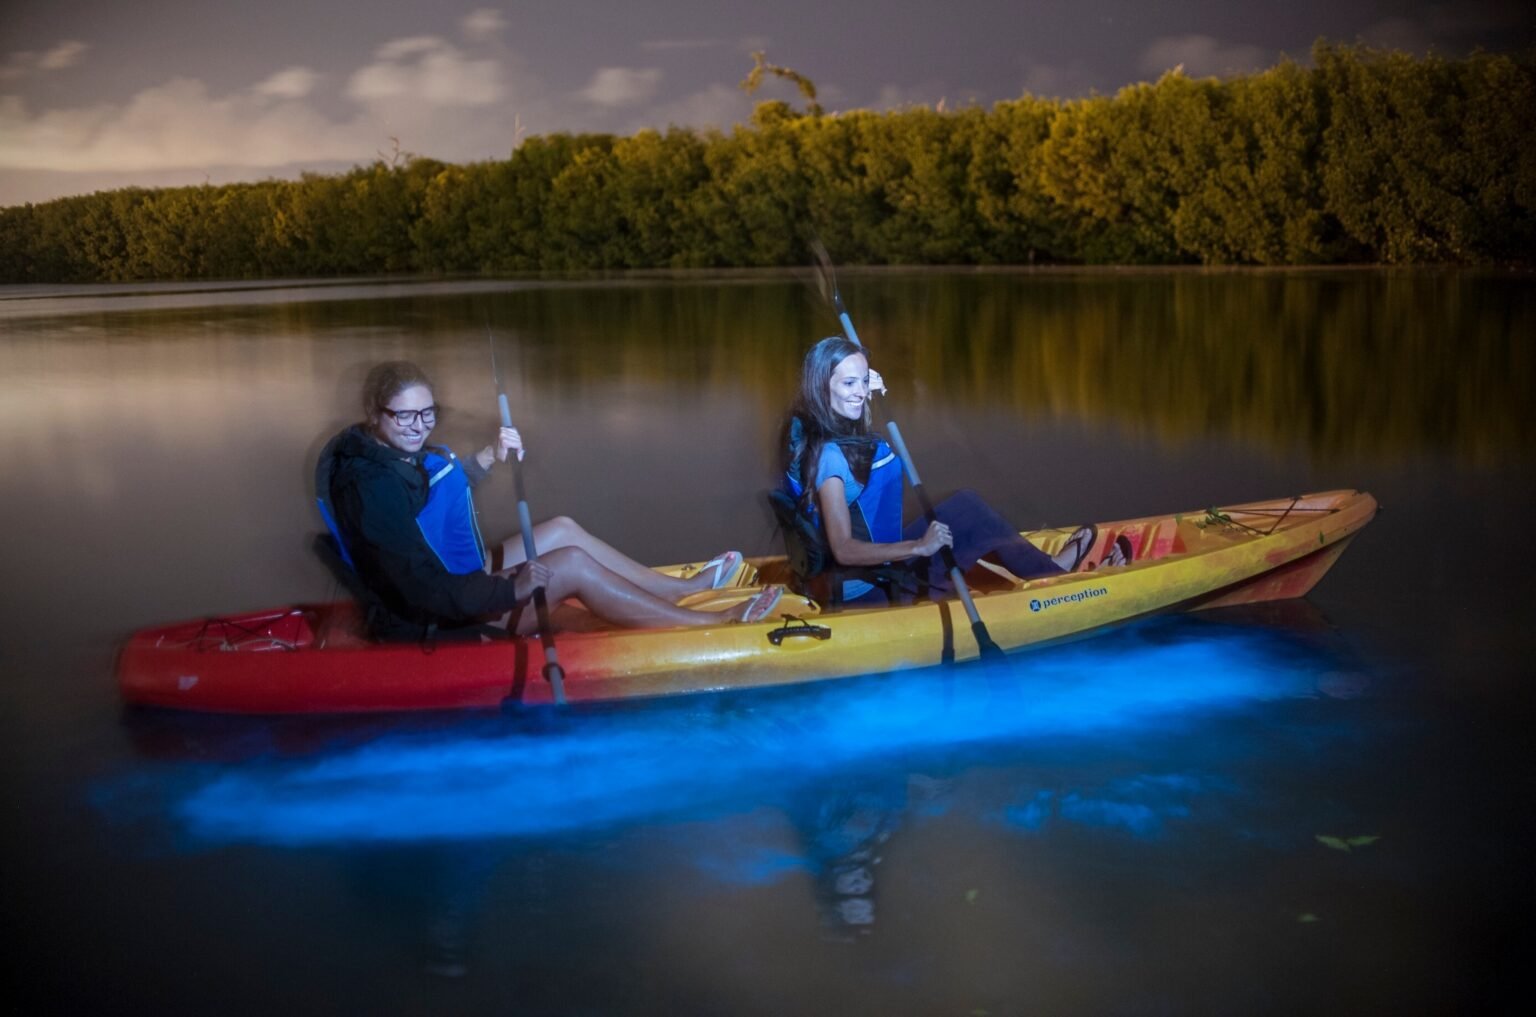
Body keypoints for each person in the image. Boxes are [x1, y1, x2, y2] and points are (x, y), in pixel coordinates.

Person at [319, 360, 782, 639]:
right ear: (373, 413)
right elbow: (417, 584)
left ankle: (683, 592)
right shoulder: (368, 488)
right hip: (435, 618)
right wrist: (510, 588)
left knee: (560, 528)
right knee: (572, 565)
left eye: (427, 413)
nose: (419, 426)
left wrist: (486, 458)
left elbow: (430, 499)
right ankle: (713, 626)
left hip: (456, 581)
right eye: (405, 416)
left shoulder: (383, 452)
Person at [779, 336, 1128, 606]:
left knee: (964, 507)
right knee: (972, 516)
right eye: (848, 384)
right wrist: (918, 546)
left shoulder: (805, 428)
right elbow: (843, 549)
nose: (859, 392)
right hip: (872, 587)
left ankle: (1047, 567)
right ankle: (1056, 578)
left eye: (862, 381)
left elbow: (842, 410)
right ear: (822, 388)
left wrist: (860, 387)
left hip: (850, 576)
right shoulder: (829, 458)